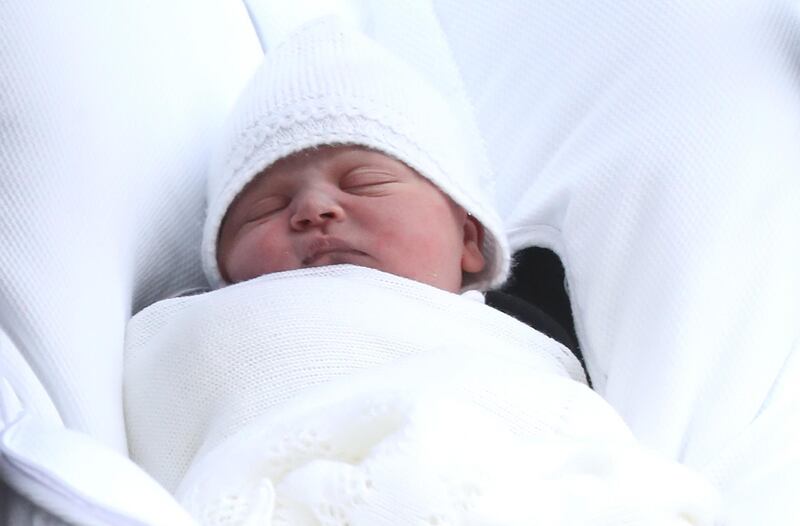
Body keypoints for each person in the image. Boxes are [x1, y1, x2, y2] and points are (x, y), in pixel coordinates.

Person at [124, 17, 718, 525]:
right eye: (265, 209)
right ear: (223, 269)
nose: (313, 210)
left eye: (365, 182)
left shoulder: (517, 341)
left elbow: (575, 440)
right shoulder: (197, 327)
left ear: (468, 239)